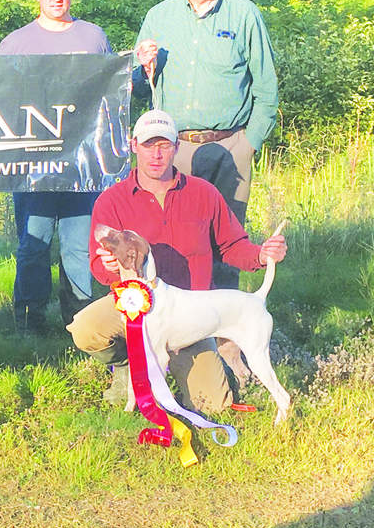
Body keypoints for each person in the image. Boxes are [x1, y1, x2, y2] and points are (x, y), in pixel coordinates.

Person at [66, 110, 288, 413]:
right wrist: (107, 265)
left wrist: (262, 255)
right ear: (134, 146)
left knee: (213, 406)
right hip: (133, 307)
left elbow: (232, 245)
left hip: (190, 314)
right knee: (86, 329)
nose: (156, 155)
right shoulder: (111, 200)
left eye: (165, 145)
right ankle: (130, 364)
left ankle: (204, 367)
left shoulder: (203, 193)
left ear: (176, 148)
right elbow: (97, 267)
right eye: (148, 145)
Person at [133, 0, 278, 287]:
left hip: (230, 147)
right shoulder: (159, 17)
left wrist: (250, 142)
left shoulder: (244, 14)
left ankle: (227, 336)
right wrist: (142, 67)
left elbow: (266, 85)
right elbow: (136, 88)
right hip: (175, 148)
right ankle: (180, 335)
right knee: (175, 241)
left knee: (230, 241)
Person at [0, 0, 112, 331]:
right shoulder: (15, 43)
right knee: (34, 246)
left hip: (82, 164)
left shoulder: (93, 37)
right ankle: (29, 323)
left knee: (79, 248)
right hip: (33, 164)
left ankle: (80, 322)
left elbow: (111, 93)